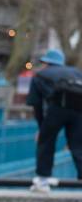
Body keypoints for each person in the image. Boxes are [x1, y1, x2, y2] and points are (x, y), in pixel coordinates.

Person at [26, 48, 82, 192]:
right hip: (79, 111)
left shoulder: (40, 75)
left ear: (46, 62)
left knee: (46, 142)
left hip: (57, 109)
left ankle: (43, 181)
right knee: (78, 146)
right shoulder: (76, 72)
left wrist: (41, 128)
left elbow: (36, 104)